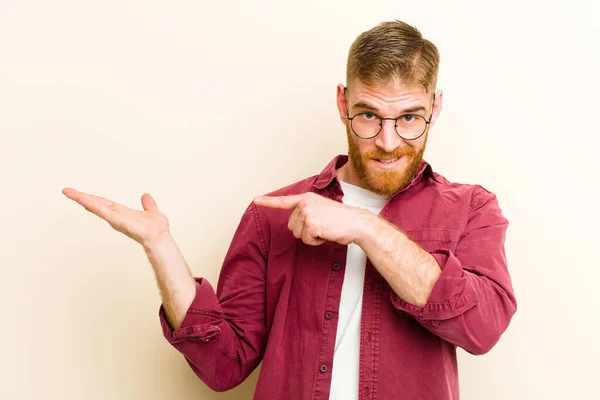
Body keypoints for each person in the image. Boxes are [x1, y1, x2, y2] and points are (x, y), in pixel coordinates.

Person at [62, 20, 516, 400]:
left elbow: (483, 327)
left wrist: (365, 228)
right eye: (369, 115)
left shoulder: (471, 209)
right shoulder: (271, 217)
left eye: (410, 118)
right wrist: (160, 247)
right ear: (342, 103)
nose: (388, 140)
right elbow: (224, 365)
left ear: (435, 109)